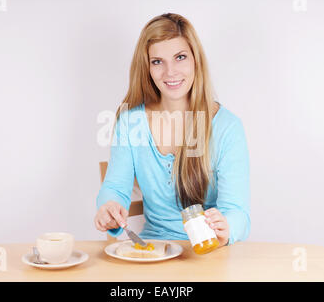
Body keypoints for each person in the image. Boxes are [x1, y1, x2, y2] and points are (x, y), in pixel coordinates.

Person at [94, 13, 250, 247]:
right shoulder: (130, 122)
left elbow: (237, 212)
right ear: (146, 67)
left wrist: (226, 227)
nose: (170, 72)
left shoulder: (227, 127)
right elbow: (116, 187)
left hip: (208, 253)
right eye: (157, 61)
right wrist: (109, 208)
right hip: (154, 250)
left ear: (196, 60)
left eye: (180, 57)